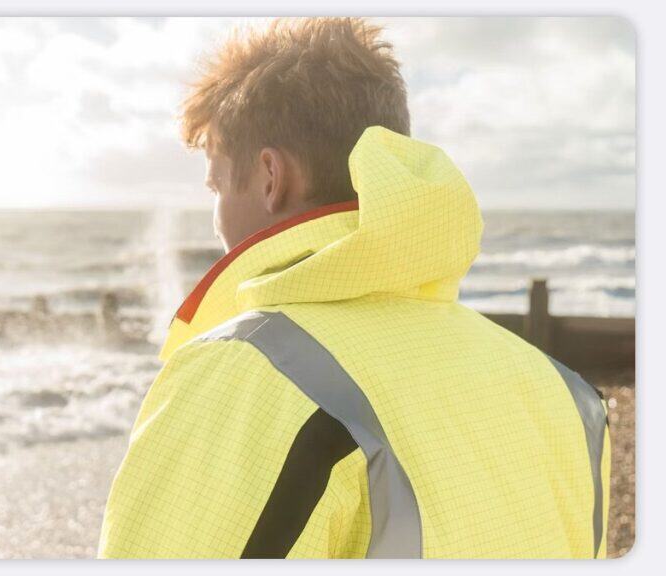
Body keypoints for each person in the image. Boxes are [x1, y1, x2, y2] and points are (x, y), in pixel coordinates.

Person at [98, 17, 610, 559]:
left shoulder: (245, 372)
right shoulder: (566, 394)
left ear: (271, 178)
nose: (217, 218)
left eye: (218, 185)